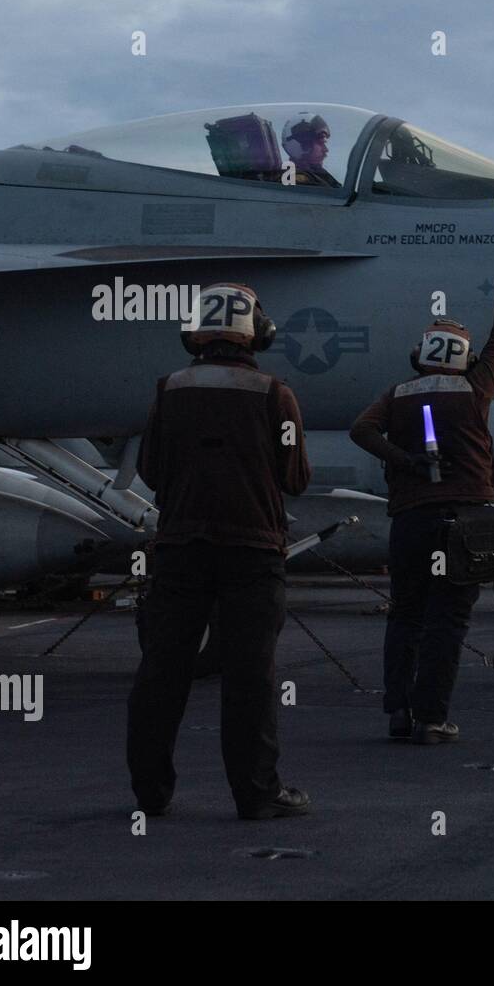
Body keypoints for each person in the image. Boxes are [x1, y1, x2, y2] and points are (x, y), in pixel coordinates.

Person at [128, 283, 312, 820]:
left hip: (181, 549)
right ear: (258, 332)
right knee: (250, 674)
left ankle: (150, 791)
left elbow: (151, 471)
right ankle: (256, 793)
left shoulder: (168, 390)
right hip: (252, 553)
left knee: (163, 668)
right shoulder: (275, 394)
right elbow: (296, 478)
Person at [349, 246, 494, 744]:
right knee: (448, 619)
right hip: (463, 524)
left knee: (405, 614)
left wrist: (404, 460)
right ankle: (432, 718)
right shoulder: (477, 388)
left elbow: (360, 431)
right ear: (463, 358)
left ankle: (398, 713)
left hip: (410, 519)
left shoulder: (397, 394)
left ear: (418, 354)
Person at [282, 114, 341, 188]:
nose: (326, 150)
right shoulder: (299, 182)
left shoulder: (319, 175)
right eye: (321, 143)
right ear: (304, 145)